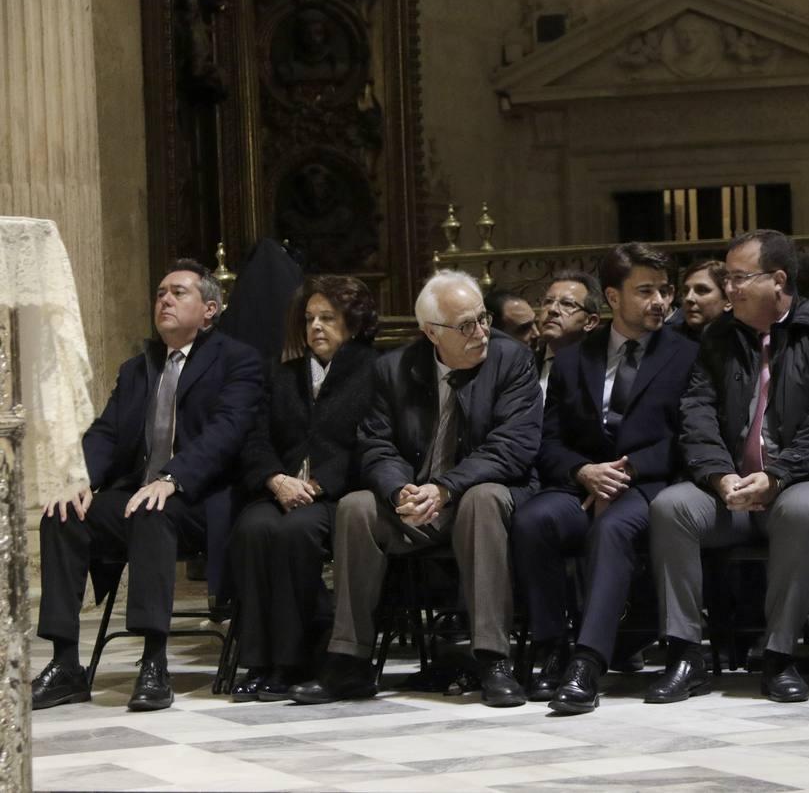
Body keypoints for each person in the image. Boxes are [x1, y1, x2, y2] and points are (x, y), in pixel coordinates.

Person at [289, 270, 542, 707]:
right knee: (355, 507)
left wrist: (444, 488)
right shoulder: (393, 369)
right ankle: (349, 661)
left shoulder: (513, 360)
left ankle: (492, 659)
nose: (481, 331)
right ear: (430, 332)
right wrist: (398, 490)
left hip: (480, 496)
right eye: (466, 325)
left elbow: (513, 447)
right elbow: (375, 444)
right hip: (416, 500)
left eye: (483, 318)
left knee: (482, 501)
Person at [647, 229, 809, 704]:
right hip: (727, 490)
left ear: (779, 281)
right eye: (726, 277)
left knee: (804, 510)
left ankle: (779, 656)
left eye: (738, 277)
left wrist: (778, 475)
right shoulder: (717, 337)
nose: (729, 287)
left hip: (799, 481)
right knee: (671, 507)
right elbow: (697, 412)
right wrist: (718, 474)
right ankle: (687, 655)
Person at [32, 260, 264, 711]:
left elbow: (227, 431)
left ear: (210, 309)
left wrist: (173, 478)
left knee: (152, 510)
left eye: (179, 292)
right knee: (62, 514)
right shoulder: (137, 368)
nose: (165, 300)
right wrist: (80, 479)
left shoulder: (237, 360)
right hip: (137, 498)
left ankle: (154, 661)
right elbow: (105, 432)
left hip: (199, 500)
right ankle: (65, 665)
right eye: (160, 293)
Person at [513, 243, 699, 714]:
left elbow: (689, 436)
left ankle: (588, 662)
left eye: (664, 291)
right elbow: (548, 441)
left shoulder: (687, 354)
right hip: (583, 485)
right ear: (613, 298)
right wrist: (583, 471)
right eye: (645, 291)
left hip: (650, 485)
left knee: (613, 527)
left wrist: (630, 468)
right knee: (534, 520)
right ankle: (551, 646)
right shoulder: (575, 359)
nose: (659, 301)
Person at [228, 276, 380, 702]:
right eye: (310, 318)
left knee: (296, 533)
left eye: (328, 318)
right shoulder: (283, 374)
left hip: (336, 495)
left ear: (353, 323)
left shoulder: (375, 370)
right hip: (280, 488)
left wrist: (318, 482)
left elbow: (371, 442)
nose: (315, 326)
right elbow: (254, 438)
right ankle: (260, 662)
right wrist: (274, 479)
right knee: (253, 529)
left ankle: (294, 662)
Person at [537, 270, 602, 394]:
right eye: (548, 301)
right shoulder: (524, 362)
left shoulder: (601, 367)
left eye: (567, 304)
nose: (552, 309)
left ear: (590, 322)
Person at [677, 259, 730, 340]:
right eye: (685, 291)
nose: (689, 298)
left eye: (702, 290)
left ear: (728, 299)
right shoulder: (664, 341)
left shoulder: (744, 342)